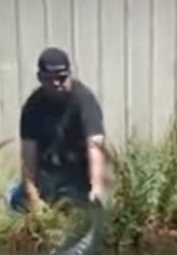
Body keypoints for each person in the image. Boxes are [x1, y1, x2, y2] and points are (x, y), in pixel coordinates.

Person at [6, 47, 109, 214]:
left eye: (61, 78)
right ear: (40, 78)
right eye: (49, 79)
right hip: (48, 174)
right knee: (13, 203)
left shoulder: (83, 101)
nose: (56, 84)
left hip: (78, 176)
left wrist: (97, 186)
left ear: (70, 75)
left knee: (82, 213)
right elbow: (28, 154)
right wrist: (33, 197)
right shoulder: (33, 106)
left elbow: (95, 145)